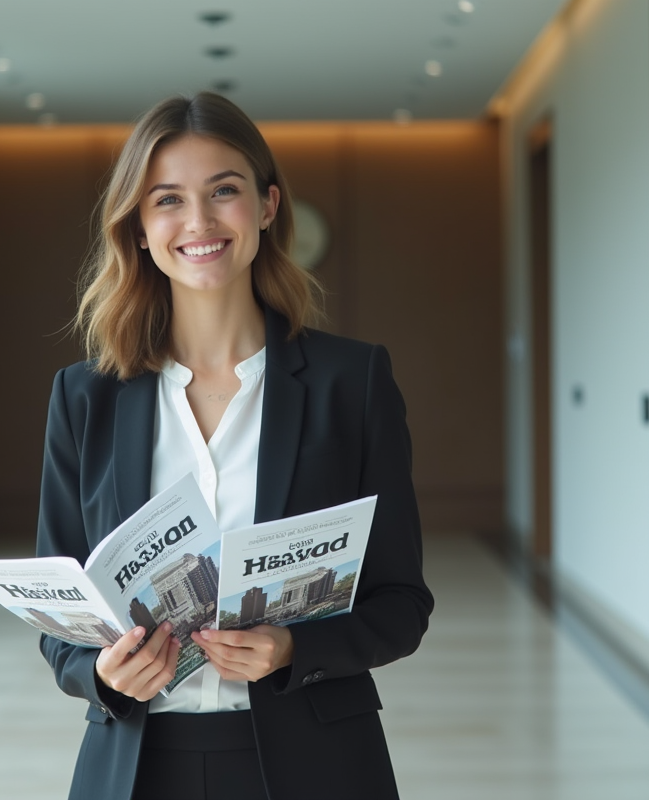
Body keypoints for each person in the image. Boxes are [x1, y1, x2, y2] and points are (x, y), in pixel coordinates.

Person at [35, 91, 434, 800]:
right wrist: (100, 675)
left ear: (269, 205)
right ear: (137, 228)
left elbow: (401, 603)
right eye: (167, 200)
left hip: (318, 762)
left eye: (225, 191)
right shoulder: (84, 396)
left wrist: (292, 649)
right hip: (135, 766)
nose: (199, 222)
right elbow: (59, 622)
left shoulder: (354, 381)